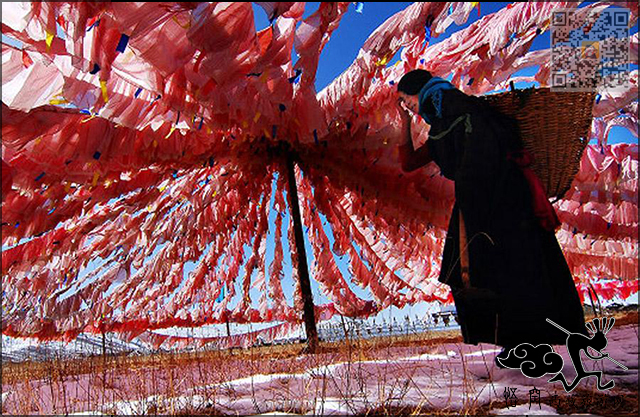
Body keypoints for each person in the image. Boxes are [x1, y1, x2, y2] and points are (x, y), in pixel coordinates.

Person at [396, 69, 587, 363]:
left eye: (405, 99)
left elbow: (485, 154)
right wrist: (403, 122)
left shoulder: (462, 109)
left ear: (420, 89)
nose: (405, 104)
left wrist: (479, 197)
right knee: (490, 271)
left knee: (506, 269)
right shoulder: (441, 124)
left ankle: (530, 346)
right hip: (480, 202)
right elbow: (409, 163)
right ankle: (518, 344)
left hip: (499, 200)